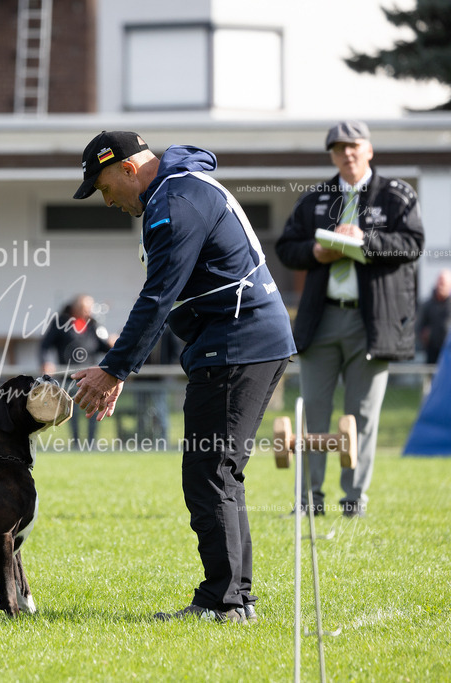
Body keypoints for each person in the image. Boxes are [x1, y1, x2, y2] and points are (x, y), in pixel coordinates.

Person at [69, 131, 296, 624]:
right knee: (219, 473)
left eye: (105, 187)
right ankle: (236, 598)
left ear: (128, 169)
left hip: (238, 343)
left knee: (210, 474)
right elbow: (169, 296)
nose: (108, 201)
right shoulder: (181, 189)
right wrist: (121, 370)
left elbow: (158, 295)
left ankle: (224, 602)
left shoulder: (176, 199)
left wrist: (112, 370)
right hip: (241, 342)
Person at [275, 120, 424, 518]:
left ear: (369, 150)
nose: (347, 154)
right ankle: (309, 499)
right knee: (313, 411)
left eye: (354, 146)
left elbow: (413, 244)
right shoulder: (315, 199)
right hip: (321, 321)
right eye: (338, 148)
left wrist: (365, 242)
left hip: (372, 324)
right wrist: (315, 252)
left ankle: (354, 499)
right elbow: (286, 249)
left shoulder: (397, 195)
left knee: (362, 414)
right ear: (332, 155)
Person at [40, 294, 112, 447]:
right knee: (71, 411)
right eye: (85, 308)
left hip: (91, 376)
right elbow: (44, 346)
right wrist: (46, 362)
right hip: (69, 377)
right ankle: (76, 443)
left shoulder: (93, 325)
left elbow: (102, 346)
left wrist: (113, 345)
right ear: (76, 309)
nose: (88, 312)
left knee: (92, 409)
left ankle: (91, 444)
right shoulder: (61, 323)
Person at [417, 269, 451, 364]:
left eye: (443, 283)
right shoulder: (427, 305)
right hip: (431, 355)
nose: (440, 286)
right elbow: (419, 327)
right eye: (439, 282)